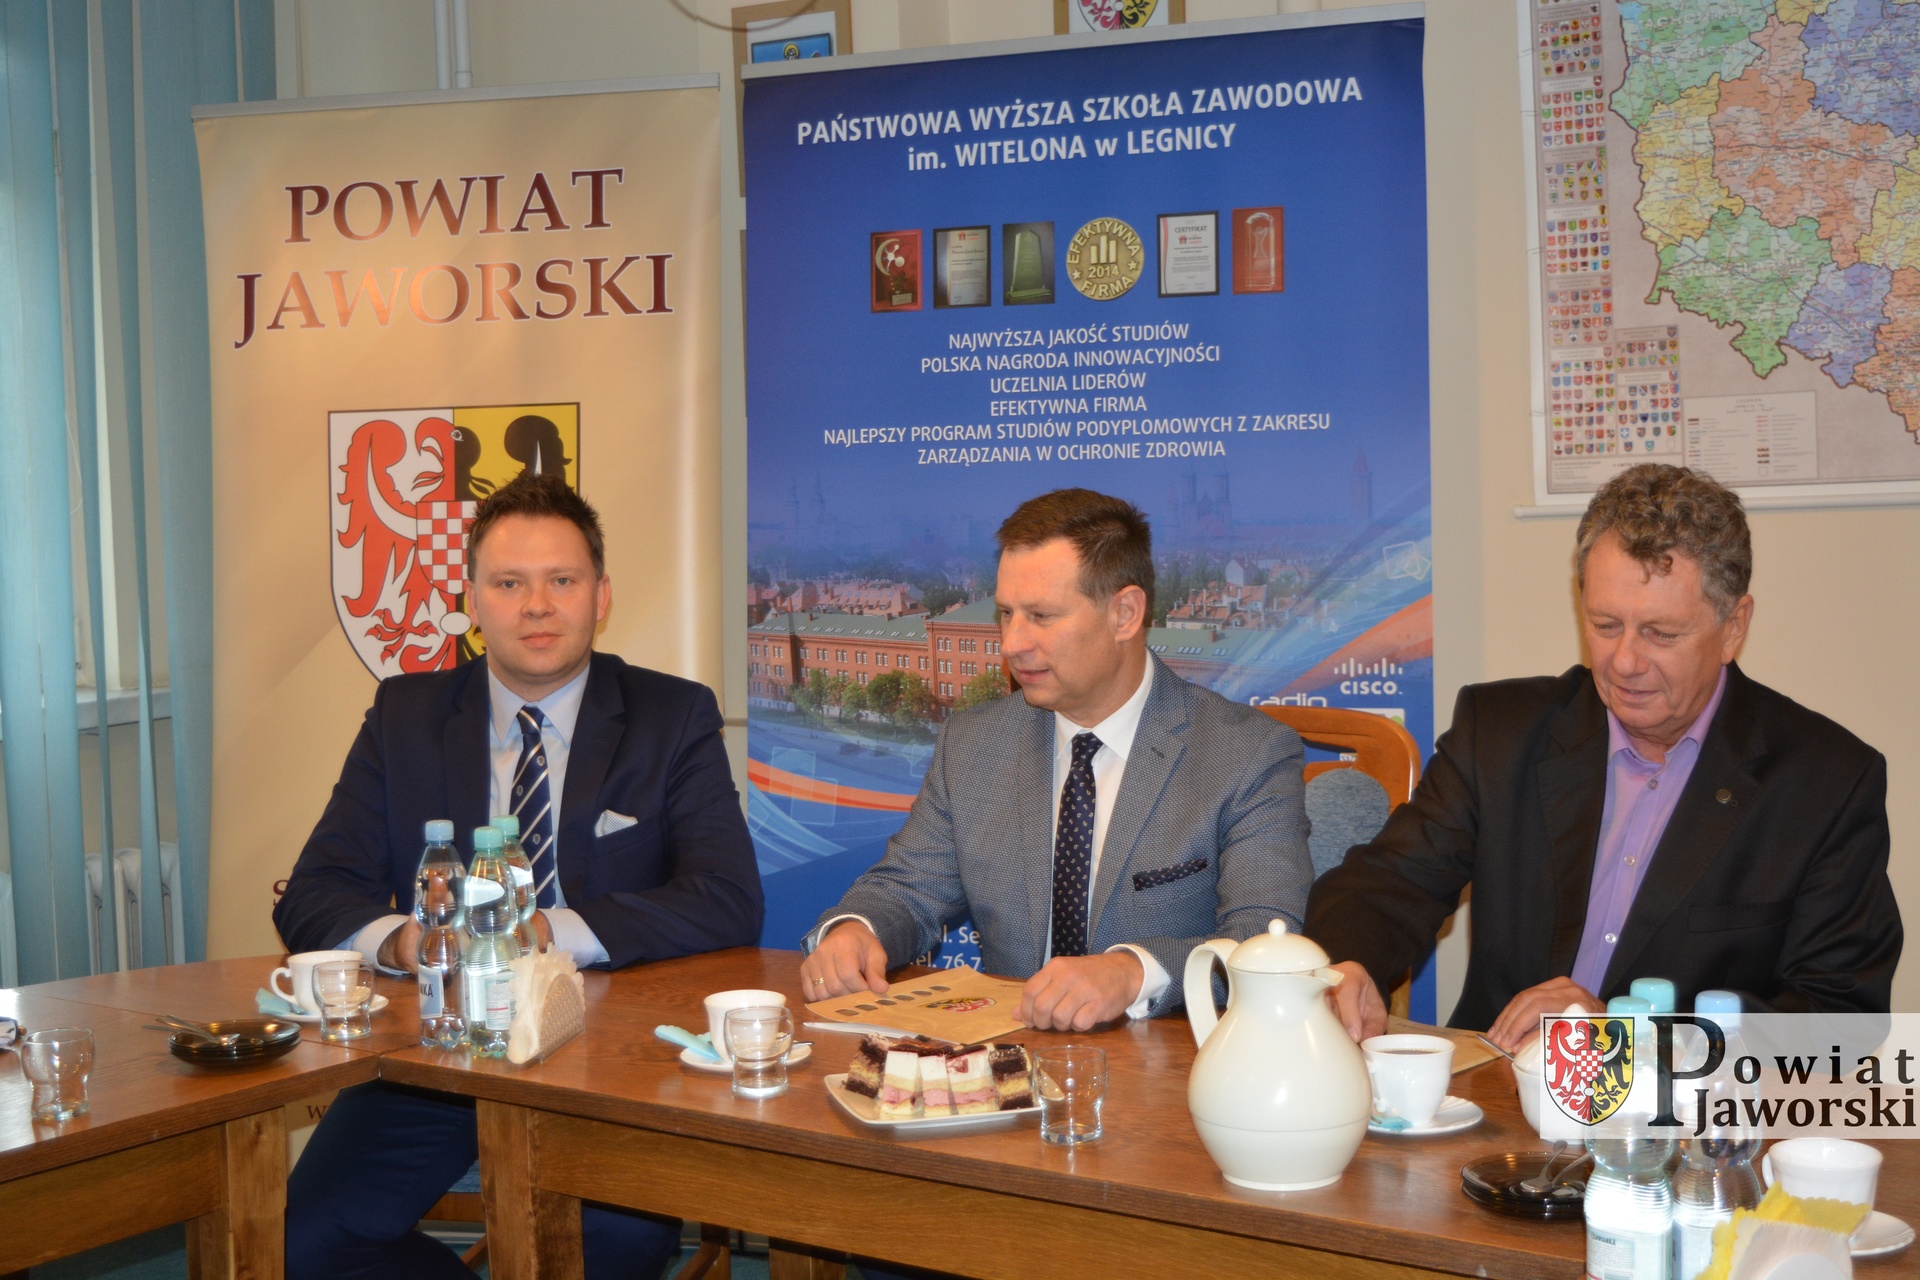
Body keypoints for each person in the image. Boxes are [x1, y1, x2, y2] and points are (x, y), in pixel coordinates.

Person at [275, 472, 762, 1280]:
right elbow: (315, 891)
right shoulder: (405, 716)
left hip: (610, 1058)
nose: (537, 606)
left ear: (601, 596)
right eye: (509, 584)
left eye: (561, 581)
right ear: (471, 599)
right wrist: (407, 942)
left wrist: (540, 933)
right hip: (440, 1052)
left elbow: (729, 898)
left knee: (611, 1249)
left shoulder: (670, 715)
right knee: (304, 1242)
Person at [1308, 463, 1901, 1051]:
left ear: (1733, 627)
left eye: (1661, 634)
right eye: (1606, 625)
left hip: (1682, 1104)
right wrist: (1346, 965)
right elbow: (1384, 884)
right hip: (1501, 1091)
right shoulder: (1500, 735)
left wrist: (1628, 1035)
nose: (1625, 662)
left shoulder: (1825, 783)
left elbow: (1841, 1018)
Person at [799, 487, 1313, 1030]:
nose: (1012, 644)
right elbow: (907, 888)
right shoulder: (974, 743)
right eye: (1006, 614)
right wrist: (856, 930)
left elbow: (1263, 941)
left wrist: (1133, 972)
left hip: (1169, 1062)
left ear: (1124, 614)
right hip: (1007, 1059)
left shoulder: (1247, 755)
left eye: (1042, 616)